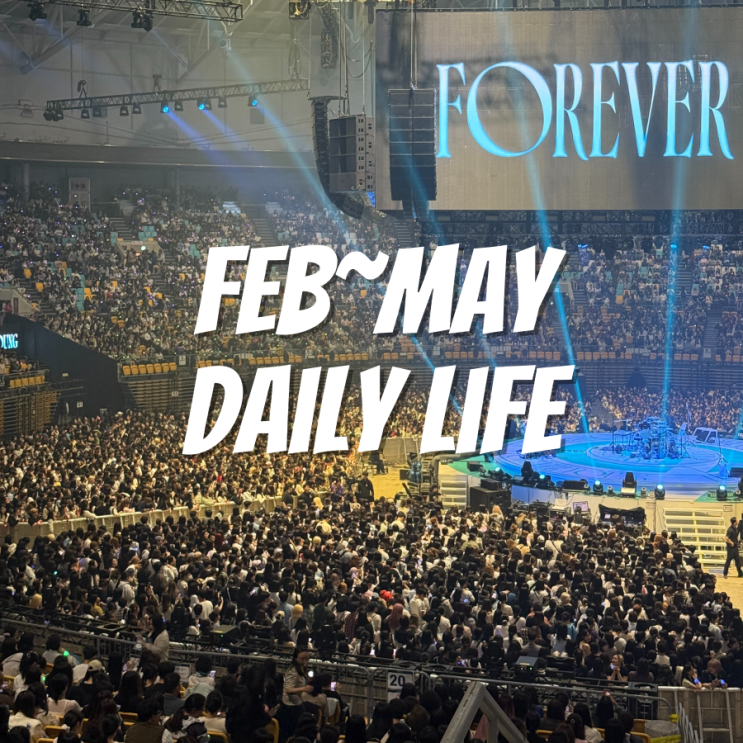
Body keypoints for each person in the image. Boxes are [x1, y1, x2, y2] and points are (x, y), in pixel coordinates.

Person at [279, 647, 313, 741]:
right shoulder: (292, 671)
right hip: (291, 705)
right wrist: (304, 688)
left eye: (306, 658)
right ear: (295, 658)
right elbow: (287, 690)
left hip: (297, 701)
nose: (304, 661)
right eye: (302, 658)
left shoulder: (300, 668)